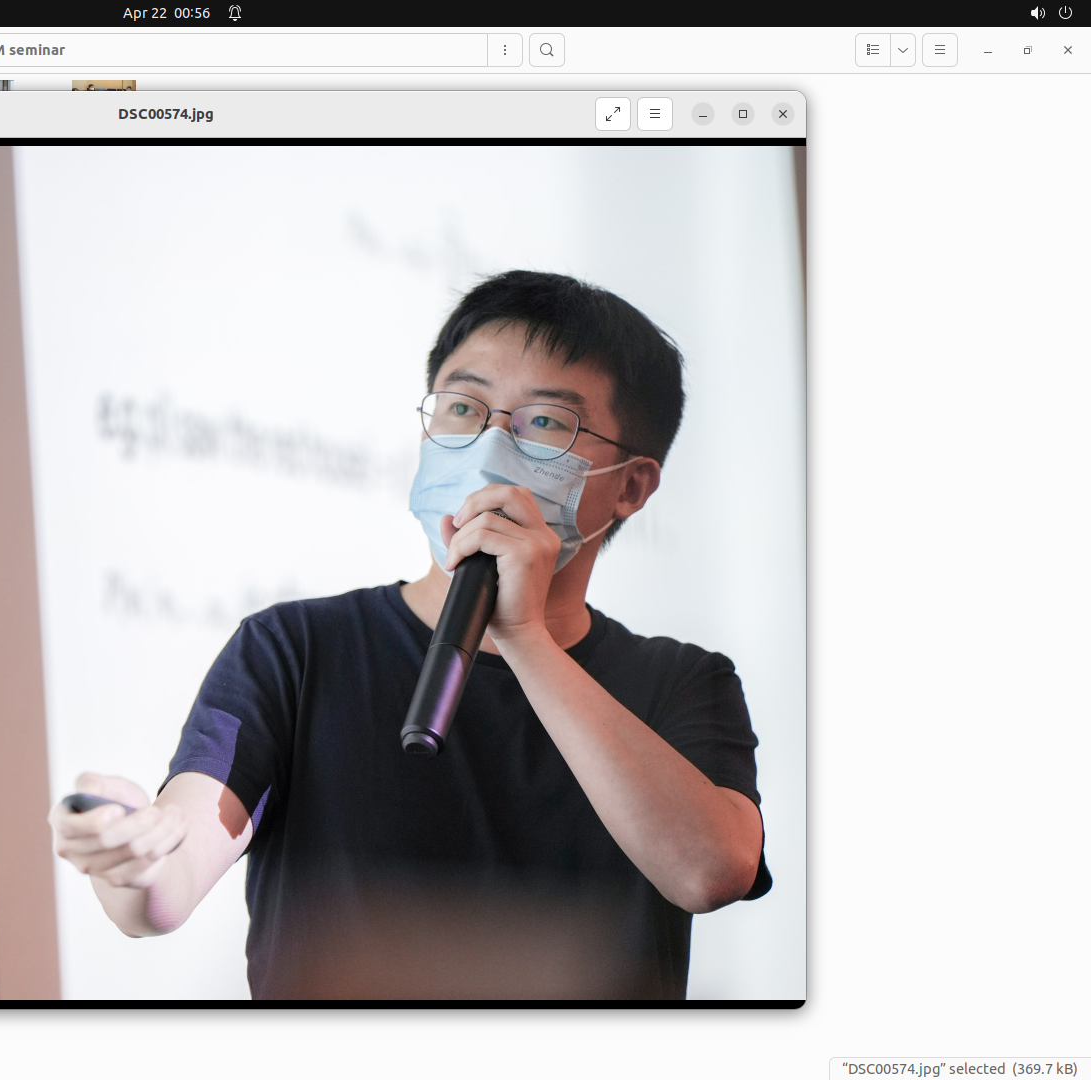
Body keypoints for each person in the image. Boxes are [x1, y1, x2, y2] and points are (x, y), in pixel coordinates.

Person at [49, 270, 771, 999]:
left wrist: (523, 636)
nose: (489, 447)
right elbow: (168, 884)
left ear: (631, 486)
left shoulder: (682, 681)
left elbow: (709, 873)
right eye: (462, 408)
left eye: (546, 423)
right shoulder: (296, 649)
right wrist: (131, 855)